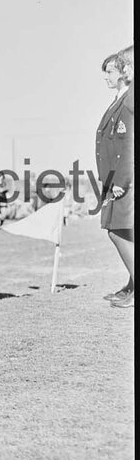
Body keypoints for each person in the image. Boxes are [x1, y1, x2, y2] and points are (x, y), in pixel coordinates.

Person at [96, 46, 134, 308]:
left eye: (111, 70)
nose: (106, 76)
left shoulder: (129, 100)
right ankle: (132, 286)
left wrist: (120, 181)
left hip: (123, 181)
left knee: (118, 232)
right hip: (115, 178)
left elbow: (128, 144)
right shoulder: (122, 97)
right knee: (121, 232)